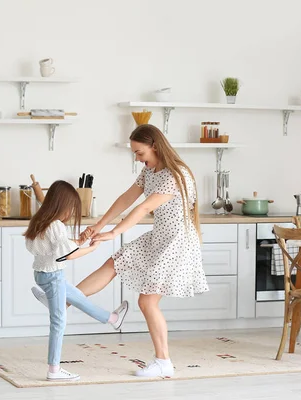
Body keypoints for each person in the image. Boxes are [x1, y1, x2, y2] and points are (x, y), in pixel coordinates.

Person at [76, 123, 209, 378]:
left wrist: (115, 233)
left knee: (147, 300)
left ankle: (163, 362)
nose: (137, 159)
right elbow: (127, 198)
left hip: (177, 242)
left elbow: (143, 208)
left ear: (155, 147)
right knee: (114, 263)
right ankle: (65, 298)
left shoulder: (174, 174)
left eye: (140, 153)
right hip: (159, 237)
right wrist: (99, 225)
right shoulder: (151, 172)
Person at [24, 180, 129, 381]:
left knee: (79, 297)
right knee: (59, 322)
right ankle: (53, 370)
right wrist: (92, 248)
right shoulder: (56, 225)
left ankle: (112, 319)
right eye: (71, 208)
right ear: (62, 205)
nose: (71, 213)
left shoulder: (41, 219)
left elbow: (58, 247)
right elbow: (67, 255)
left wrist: (80, 241)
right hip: (53, 277)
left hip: (42, 274)